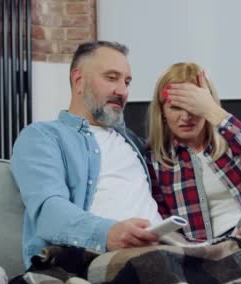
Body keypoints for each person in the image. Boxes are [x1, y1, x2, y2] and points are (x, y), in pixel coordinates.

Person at [10, 41, 161, 268]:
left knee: (229, 257)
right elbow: (49, 213)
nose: (122, 91)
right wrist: (107, 234)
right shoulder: (42, 136)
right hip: (90, 258)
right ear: (78, 80)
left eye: (127, 82)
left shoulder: (133, 143)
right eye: (111, 78)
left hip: (162, 250)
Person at [146, 62, 241, 242]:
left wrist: (213, 112)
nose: (186, 117)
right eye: (176, 107)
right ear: (162, 112)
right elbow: (162, 224)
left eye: (194, 106)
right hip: (216, 248)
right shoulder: (155, 161)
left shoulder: (230, 138)